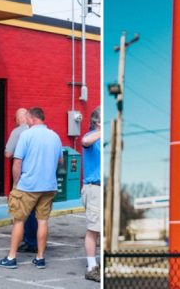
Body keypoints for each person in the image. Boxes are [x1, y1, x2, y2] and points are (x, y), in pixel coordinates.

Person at [0, 107, 63, 269]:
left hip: (28, 186)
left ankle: (11, 257)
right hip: (48, 186)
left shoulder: (26, 135)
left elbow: (17, 162)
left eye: (28, 119)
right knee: (43, 221)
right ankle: (40, 258)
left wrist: (15, 184)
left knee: (19, 221)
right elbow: (60, 162)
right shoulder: (55, 136)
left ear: (31, 119)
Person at [5, 108, 38, 253]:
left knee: (22, 211)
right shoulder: (41, 133)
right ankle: (37, 240)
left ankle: (29, 241)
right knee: (38, 213)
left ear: (20, 118)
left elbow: (8, 154)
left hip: (23, 176)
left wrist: (15, 183)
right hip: (39, 177)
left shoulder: (17, 132)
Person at [81, 107, 101, 282]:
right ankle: (92, 266)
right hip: (94, 188)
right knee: (93, 229)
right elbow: (85, 141)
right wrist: (101, 131)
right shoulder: (91, 137)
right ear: (97, 122)